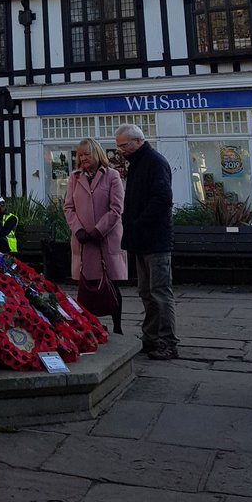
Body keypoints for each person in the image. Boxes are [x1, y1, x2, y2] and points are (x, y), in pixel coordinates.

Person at [115, 122, 178, 360]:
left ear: (138, 140)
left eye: (124, 145)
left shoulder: (154, 162)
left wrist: (139, 221)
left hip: (155, 238)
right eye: (119, 146)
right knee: (146, 291)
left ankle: (168, 341)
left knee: (160, 292)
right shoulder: (139, 163)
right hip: (141, 238)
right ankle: (151, 337)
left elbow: (163, 199)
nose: (121, 150)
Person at [63, 139, 127, 334]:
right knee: (86, 285)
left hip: (105, 239)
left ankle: (117, 326)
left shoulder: (112, 176)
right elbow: (68, 207)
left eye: (87, 154)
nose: (83, 159)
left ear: (97, 154)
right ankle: (90, 325)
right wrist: (78, 229)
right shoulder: (74, 178)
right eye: (80, 155)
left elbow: (116, 208)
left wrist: (99, 230)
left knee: (111, 283)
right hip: (83, 240)